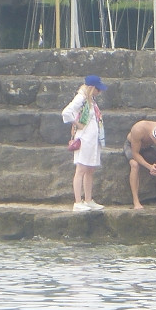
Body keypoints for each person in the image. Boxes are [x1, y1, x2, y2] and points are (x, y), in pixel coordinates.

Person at [61, 75, 107, 212]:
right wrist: (77, 124)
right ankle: (78, 201)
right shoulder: (81, 98)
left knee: (90, 169)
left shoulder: (91, 99)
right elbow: (66, 112)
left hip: (93, 140)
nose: (100, 92)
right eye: (98, 89)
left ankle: (88, 199)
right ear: (92, 88)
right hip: (84, 138)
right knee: (81, 169)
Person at [124, 120, 156, 210]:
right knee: (134, 165)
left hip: (147, 148)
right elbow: (135, 154)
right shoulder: (138, 129)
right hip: (132, 146)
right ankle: (136, 201)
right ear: (152, 136)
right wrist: (149, 166)